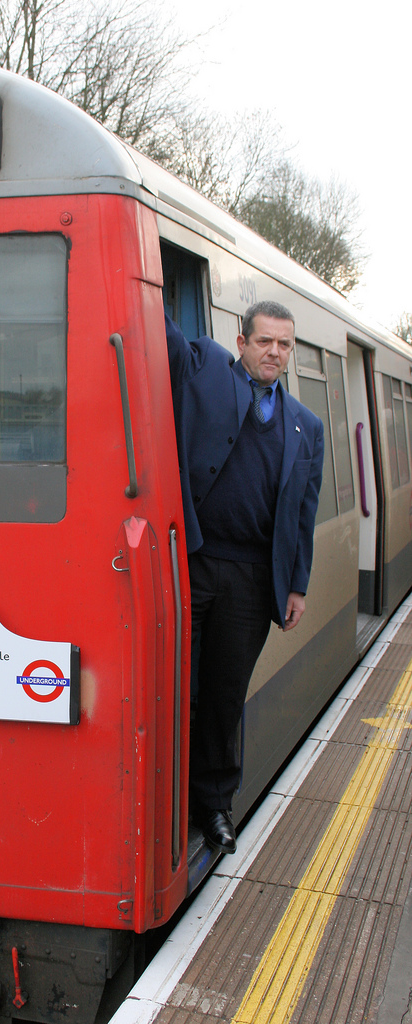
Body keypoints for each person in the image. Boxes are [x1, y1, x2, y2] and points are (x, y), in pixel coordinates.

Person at [165, 300, 324, 853]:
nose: (274, 352)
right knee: (174, 687)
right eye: (265, 341)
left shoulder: (308, 425)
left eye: (284, 344)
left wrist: (296, 584)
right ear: (241, 341)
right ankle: (165, 799)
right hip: (195, 561)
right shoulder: (205, 368)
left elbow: (302, 512)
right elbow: (160, 335)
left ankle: (213, 806)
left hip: (254, 579)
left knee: (225, 695)